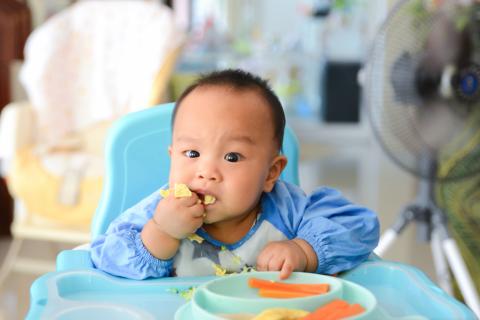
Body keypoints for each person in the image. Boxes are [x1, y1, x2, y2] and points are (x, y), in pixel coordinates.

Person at [90, 69, 379, 280]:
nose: (206, 172)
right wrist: (161, 233)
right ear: (172, 158)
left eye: (232, 157)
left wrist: (303, 250)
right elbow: (104, 257)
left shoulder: (288, 209)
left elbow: (359, 226)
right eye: (191, 154)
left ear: (271, 173)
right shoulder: (159, 212)